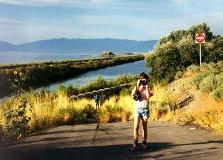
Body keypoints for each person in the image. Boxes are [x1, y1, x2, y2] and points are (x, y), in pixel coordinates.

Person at [130, 72, 153, 151]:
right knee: (136, 127)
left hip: (145, 110)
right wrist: (137, 85)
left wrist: (146, 87)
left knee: (144, 127)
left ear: (147, 81)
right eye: (142, 81)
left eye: (145, 81)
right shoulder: (136, 88)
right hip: (137, 110)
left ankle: (144, 143)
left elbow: (147, 97)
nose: (143, 82)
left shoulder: (149, 88)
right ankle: (135, 143)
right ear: (139, 80)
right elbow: (133, 95)